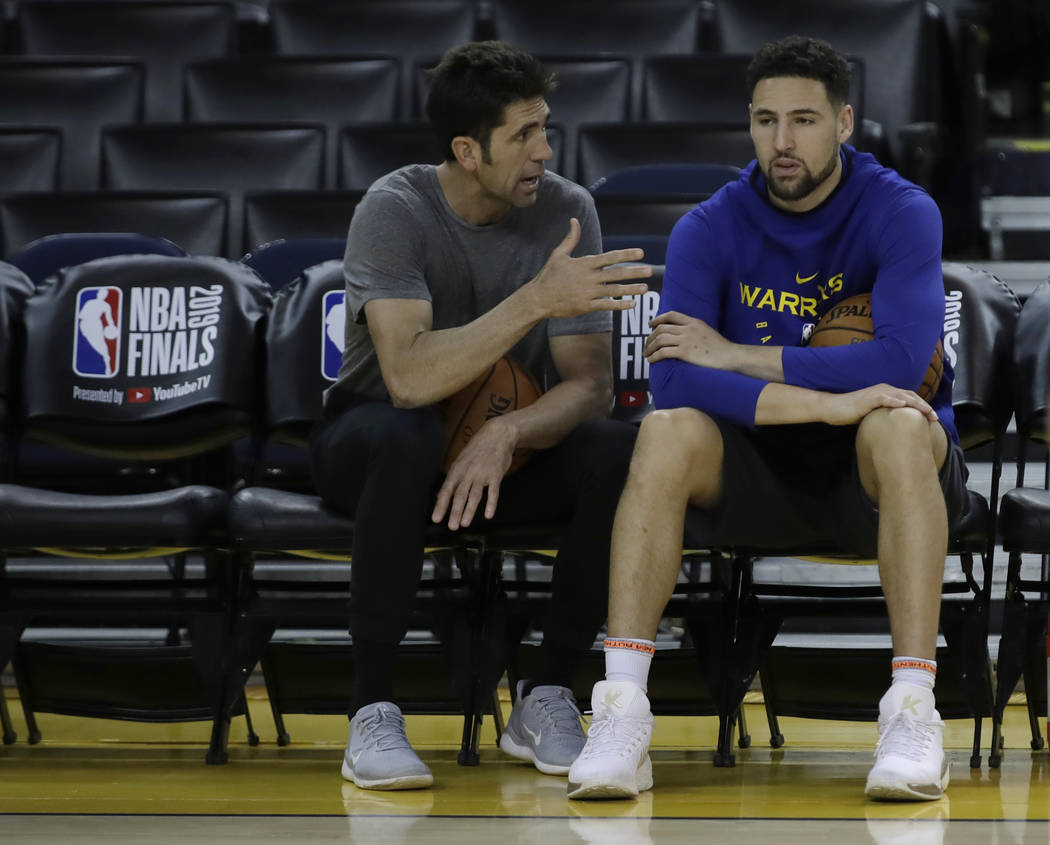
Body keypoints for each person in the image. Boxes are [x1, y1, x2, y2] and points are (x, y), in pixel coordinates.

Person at [567, 35, 969, 803]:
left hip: (877, 472)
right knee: (663, 430)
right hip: (757, 463)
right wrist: (824, 398)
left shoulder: (901, 210)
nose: (783, 142)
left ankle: (914, 709)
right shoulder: (709, 226)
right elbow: (677, 377)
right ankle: (622, 708)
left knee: (899, 420)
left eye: (805, 120)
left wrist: (743, 354)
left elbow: (895, 365)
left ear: (845, 123)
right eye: (765, 120)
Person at [310, 41, 652, 791]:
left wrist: (508, 432)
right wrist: (534, 299)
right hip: (374, 437)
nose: (544, 151)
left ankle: (548, 691)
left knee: (620, 448)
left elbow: (590, 386)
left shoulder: (569, 210)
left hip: (498, 450)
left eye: (546, 129)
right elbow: (407, 378)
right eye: (523, 135)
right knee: (407, 433)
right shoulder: (394, 209)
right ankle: (370, 708)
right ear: (468, 150)